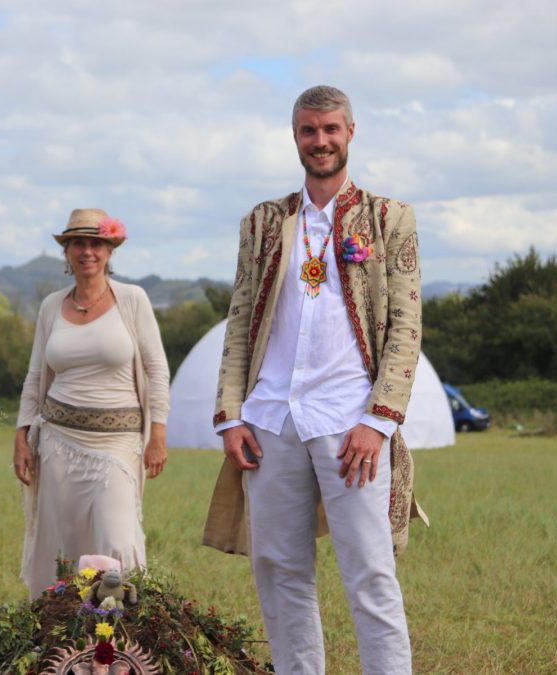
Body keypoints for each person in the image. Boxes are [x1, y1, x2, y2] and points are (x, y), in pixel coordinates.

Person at [202, 86, 427, 675]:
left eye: (330, 129)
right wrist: (231, 414)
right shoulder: (263, 221)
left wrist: (377, 422)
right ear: (295, 136)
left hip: (350, 423)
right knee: (279, 573)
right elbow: (239, 321)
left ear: (351, 131)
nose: (320, 141)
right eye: (308, 130)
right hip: (271, 418)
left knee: (370, 574)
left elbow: (406, 327)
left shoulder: (389, 218)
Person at [13, 208, 170, 598]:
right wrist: (21, 436)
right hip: (57, 443)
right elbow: (36, 376)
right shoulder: (51, 306)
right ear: (66, 251)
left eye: (96, 243)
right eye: (78, 243)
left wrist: (158, 436)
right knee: (62, 548)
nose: (87, 252)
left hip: (117, 444)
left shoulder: (133, 300)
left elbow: (156, 370)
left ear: (109, 250)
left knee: (117, 539)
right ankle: (60, 644)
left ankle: (124, 637)